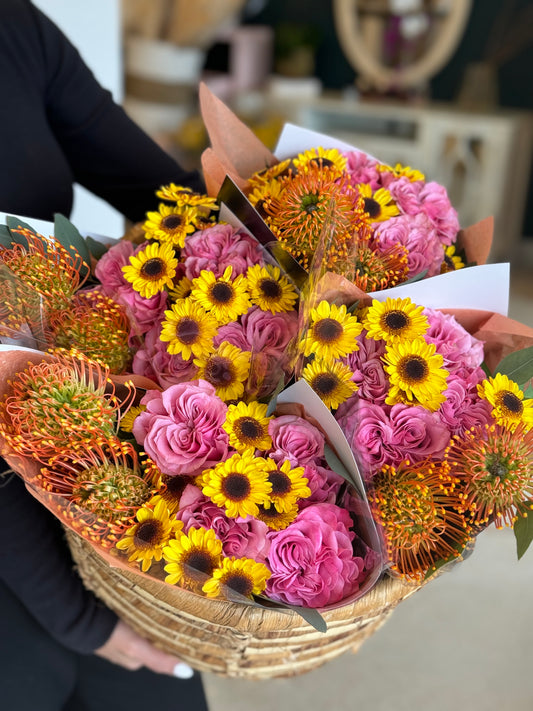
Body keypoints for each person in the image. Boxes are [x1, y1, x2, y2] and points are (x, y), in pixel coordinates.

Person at [0, 2, 209, 709]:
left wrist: (298, 253)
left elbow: (162, 198)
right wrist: (81, 618)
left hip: (69, 433)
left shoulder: (13, 28)